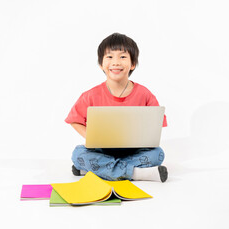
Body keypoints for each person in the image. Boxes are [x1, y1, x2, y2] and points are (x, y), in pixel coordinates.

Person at [65, 33, 168, 182]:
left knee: (158, 154)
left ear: (133, 64)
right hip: (101, 150)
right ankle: (136, 173)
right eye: (109, 57)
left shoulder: (144, 93)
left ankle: (95, 170)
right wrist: (90, 137)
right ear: (101, 64)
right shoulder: (90, 95)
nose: (116, 62)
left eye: (123, 57)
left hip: (134, 150)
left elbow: (157, 121)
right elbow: (74, 120)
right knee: (78, 154)